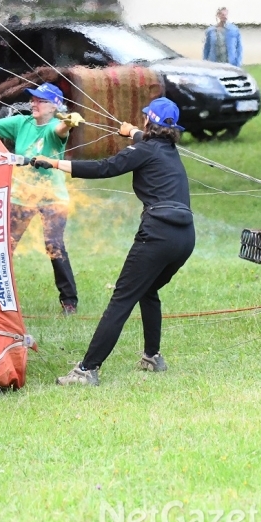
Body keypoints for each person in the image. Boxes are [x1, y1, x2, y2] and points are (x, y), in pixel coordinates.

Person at [32, 98, 196, 387]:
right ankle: (152, 357)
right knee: (148, 289)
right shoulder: (168, 149)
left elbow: (104, 168)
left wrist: (55, 162)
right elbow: (146, 140)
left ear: (149, 121)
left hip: (158, 235)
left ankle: (87, 370)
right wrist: (130, 132)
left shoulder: (144, 150)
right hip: (185, 238)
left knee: (122, 300)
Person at [0, 82, 84, 316]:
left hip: (53, 199)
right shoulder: (21, 123)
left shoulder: (53, 128)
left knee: (54, 246)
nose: (34, 103)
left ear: (54, 106)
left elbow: (60, 130)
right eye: (33, 99)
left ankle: (69, 302)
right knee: (4, 247)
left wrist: (69, 121)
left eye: (40, 101)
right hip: (21, 197)